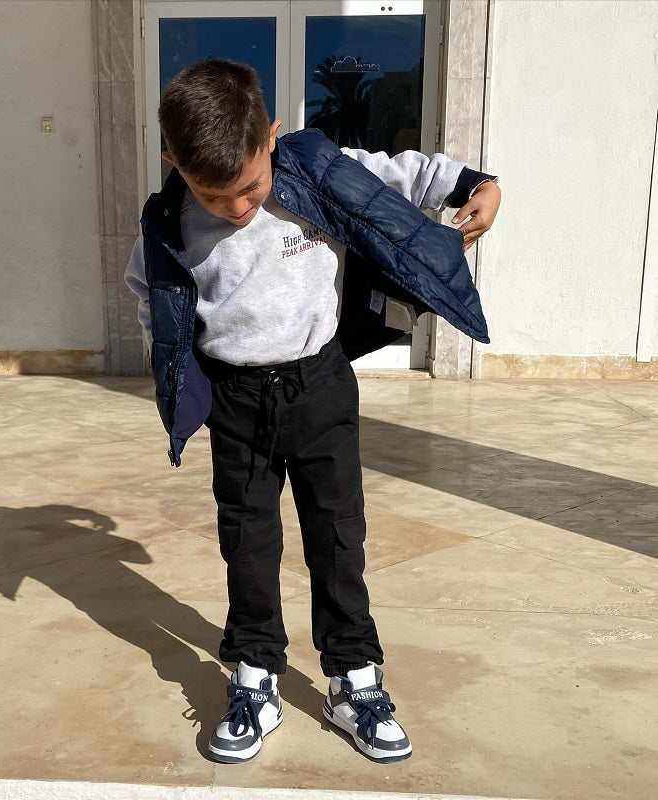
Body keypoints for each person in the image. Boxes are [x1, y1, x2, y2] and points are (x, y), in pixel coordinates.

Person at [125, 58, 501, 764]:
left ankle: (353, 678)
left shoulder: (314, 171)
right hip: (237, 401)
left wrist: (477, 185)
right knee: (248, 541)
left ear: (271, 138)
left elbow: (401, 174)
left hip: (320, 386)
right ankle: (256, 674)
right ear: (175, 164)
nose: (237, 208)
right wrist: (181, 375)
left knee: (337, 535)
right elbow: (153, 295)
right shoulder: (170, 222)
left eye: (249, 187)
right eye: (214, 195)